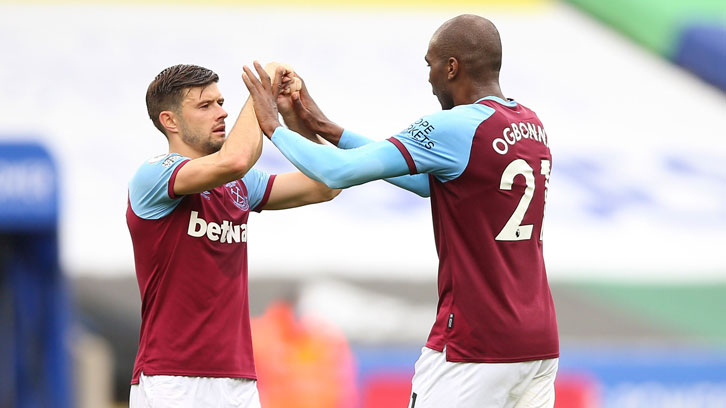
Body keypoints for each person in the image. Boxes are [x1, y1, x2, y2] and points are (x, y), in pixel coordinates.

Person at [242, 14, 559, 408]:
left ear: (452, 67)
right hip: (538, 344)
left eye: (430, 66)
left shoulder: (455, 126)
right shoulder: (531, 124)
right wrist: (324, 126)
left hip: (475, 345)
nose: (429, 80)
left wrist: (274, 126)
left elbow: (333, 172)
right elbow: (432, 185)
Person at [126, 62, 339, 408]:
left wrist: (292, 115)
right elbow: (236, 159)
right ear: (171, 121)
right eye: (205, 105)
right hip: (172, 379)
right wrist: (264, 89)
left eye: (221, 102)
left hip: (237, 380)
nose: (222, 113)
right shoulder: (153, 176)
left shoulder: (238, 183)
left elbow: (328, 183)